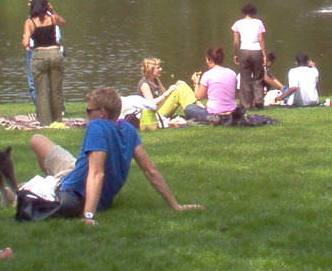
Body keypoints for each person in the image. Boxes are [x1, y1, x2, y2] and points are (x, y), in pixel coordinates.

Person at [27, 87, 201, 223]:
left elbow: (97, 173)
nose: (86, 116)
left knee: (36, 139)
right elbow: (151, 171)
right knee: (52, 159)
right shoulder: (128, 130)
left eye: (88, 111)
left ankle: (47, 180)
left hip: (71, 185)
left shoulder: (97, 127)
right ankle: (49, 177)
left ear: (101, 112)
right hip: (99, 197)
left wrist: (88, 216)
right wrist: (175, 205)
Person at [22, 0, 66, 126]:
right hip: (55, 54)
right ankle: (58, 119)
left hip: (39, 55)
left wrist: (26, 44)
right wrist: (52, 11)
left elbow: (26, 43)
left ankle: (45, 122)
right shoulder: (52, 18)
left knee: (41, 92)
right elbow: (63, 22)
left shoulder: (30, 22)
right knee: (56, 90)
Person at [137, 58, 202, 120]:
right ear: (150, 70)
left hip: (161, 108)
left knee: (182, 85)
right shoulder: (144, 84)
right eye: (158, 68)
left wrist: (175, 86)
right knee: (179, 90)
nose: (161, 69)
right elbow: (151, 104)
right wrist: (168, 92)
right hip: (154, 115)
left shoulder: (156, 79)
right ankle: (198, 111)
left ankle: (198, 109)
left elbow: (166, 94)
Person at [231, 2, 267, 109]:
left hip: (244, 51)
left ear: (243, 12)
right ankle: (258, 100)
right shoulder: (259, 22)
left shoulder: (238, 23)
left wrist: (235, 54)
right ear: (254, 12)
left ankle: (246, 104)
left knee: (245, 79)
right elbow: (261, 39)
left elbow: (236, 42)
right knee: (258, 77)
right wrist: (264, 55)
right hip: (256, 51)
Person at [193, 46, 237, 119]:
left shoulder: (207, 75)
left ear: (210, 60)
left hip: (214, 113)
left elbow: (198, 96)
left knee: (189, 108)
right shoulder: (232, 73)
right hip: (232, 111)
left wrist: (196, 83)